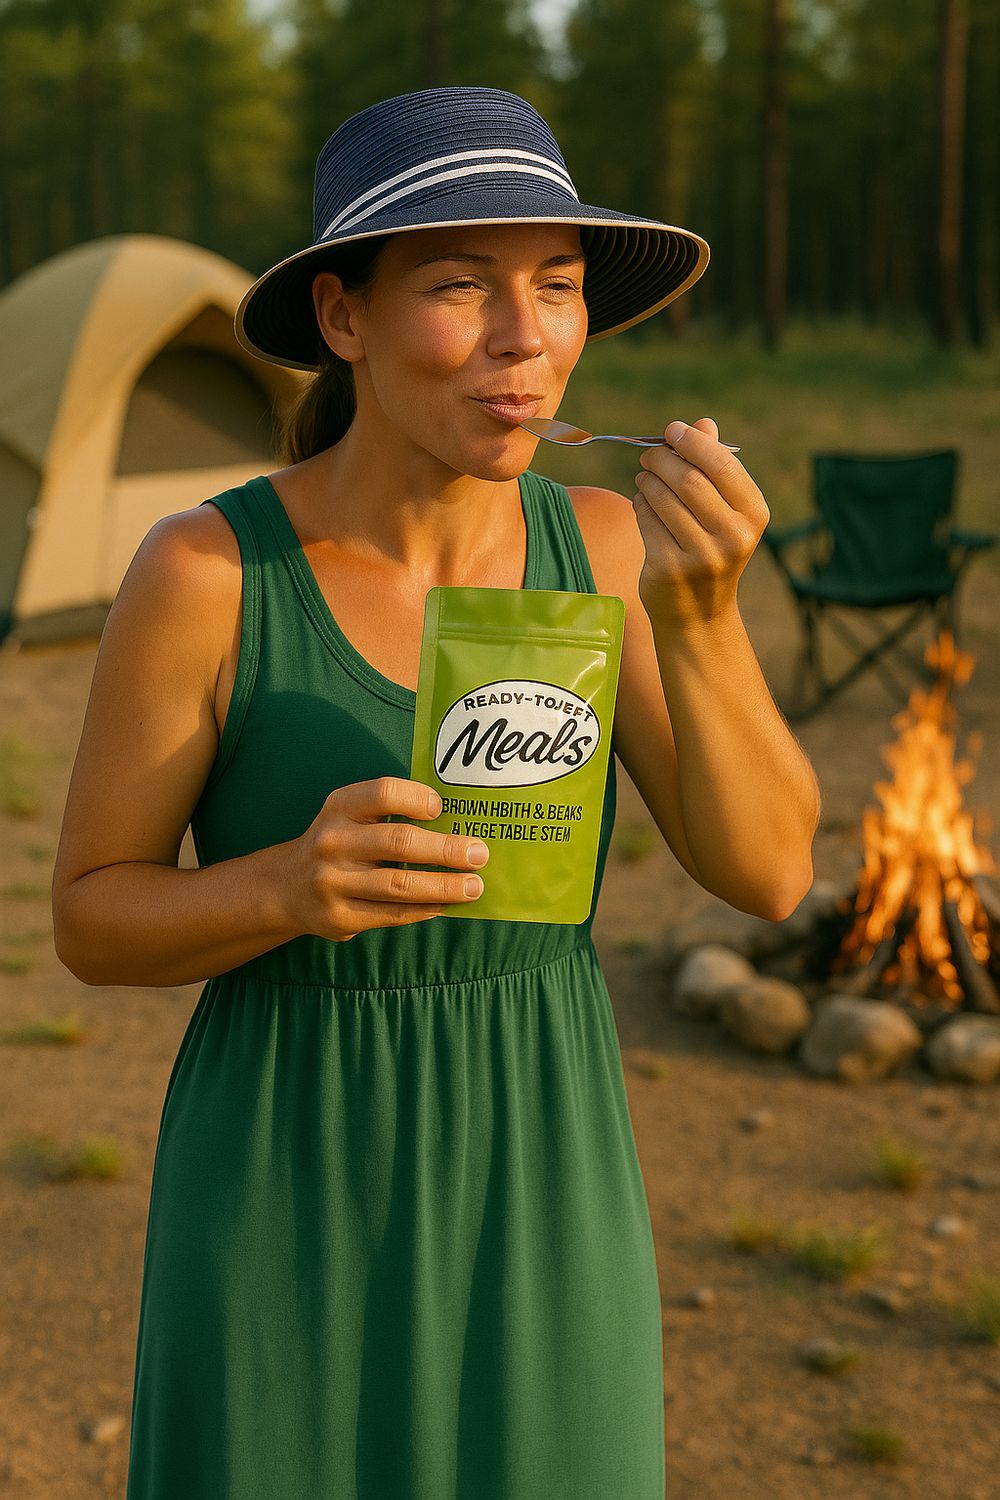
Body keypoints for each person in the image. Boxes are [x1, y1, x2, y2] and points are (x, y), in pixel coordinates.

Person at [52, 86, 820, 1500]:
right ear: (343, 320)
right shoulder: (207, 574)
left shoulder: (601, 547)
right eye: (461, 287)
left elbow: (770, 873)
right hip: (282, 1166)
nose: (525, 339)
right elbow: (93, 922)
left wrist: (704, 616)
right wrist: (279, 887)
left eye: (559, 288)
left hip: (541, 1155)